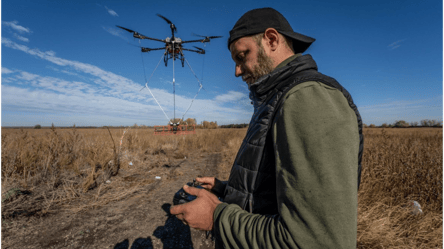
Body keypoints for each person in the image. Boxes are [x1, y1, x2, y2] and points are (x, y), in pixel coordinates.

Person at [170, 7, 363, 248]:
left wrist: (217, 216)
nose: (236, 71)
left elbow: (318, 241)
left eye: (242, 56)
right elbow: (279, 192)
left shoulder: (307, 98)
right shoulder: (276, 98)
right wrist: (226, 189)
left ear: (271, 40)